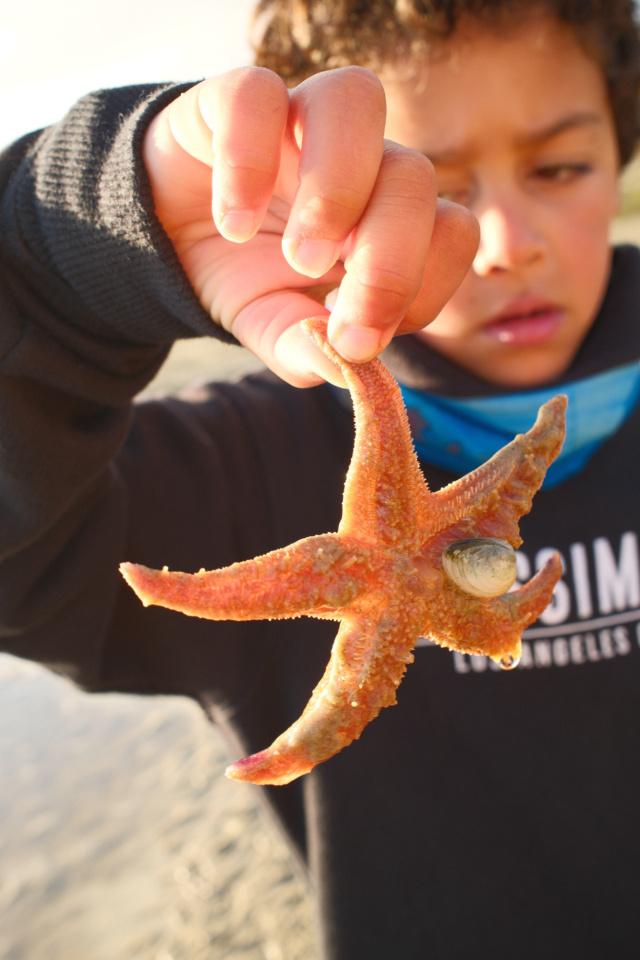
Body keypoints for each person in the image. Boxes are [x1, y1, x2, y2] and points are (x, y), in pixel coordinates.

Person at [2, 0, 640, 956]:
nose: (506, 242)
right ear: (321, 206)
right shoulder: (238, 472)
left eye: (558, 166)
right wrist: (70, 262)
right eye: (433, 188)